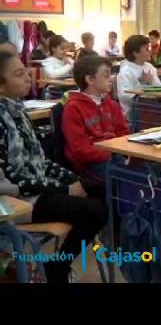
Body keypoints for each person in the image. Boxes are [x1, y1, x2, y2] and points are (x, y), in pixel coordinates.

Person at [0, 51, 106, 283]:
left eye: (25, 71)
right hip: (15, 201)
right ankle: (57, 268)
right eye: (19, 74)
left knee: (103, 190)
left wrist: (70, 179)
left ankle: (57, 265)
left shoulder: (17, 111)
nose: (29, 77)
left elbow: (41, 161)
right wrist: (63, 189)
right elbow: (11, 181)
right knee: (93, 211)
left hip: (35, 188)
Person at [62, 55, 129, 177]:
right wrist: (111, 153)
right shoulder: (73, 108)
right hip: (90, 164)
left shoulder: (112, 105)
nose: (112, 79)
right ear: (90, 79)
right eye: (106, 75)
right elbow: (79, 149)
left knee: (148, 171)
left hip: (115, 155)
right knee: (129, 178)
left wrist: (122, 151)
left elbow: (123, 133)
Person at [117, 35, 161, 119]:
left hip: (155, 107)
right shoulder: (126, 71)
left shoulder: (149, 66)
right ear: (136, 53)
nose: (150, 51)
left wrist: (151, 82)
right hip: (134, 114)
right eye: (146, 49)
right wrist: (143, 84)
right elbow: (125, 96)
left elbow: (159, 87)